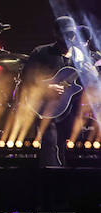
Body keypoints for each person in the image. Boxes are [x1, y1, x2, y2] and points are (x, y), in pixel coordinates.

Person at [22, 16, 84, 166]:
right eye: (65, 33)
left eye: (72, 33)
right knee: (50, 147)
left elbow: (86, 85)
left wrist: (93, 74)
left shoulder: (81, 56)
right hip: (46, 111)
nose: (70, 37)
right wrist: (46, 87)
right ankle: (51, 180)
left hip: (72, 111)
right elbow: (26, 80)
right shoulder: (41, 52)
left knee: (68, 151)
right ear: (55, 34)